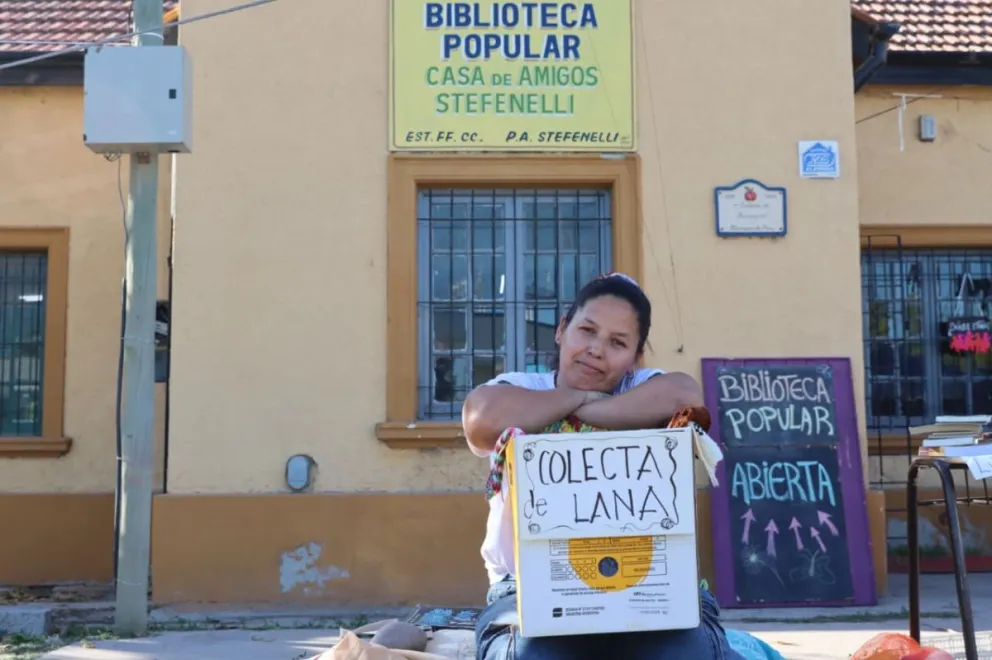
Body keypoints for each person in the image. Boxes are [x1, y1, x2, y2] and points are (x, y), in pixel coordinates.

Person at [462, 272, 742, 660]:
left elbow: (686, 395)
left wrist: (581, 406)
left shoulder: (644, 386)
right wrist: (578, 399)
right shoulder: (522, 386)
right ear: (562, 329)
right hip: (527, 588)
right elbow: (481, 421)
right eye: (587, 330)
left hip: (650, 590)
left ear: (635, 358)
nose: (596, 350)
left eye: (617, 343)